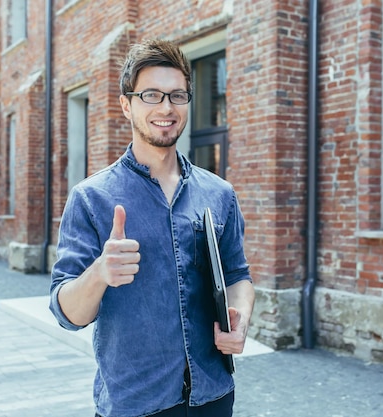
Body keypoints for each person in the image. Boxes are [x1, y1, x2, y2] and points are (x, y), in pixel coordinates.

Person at [49, 38, 255, 417]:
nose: (166, 107)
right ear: (126, 105)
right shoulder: (91, 198)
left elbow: (238, 275)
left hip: (213, 396)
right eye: (151, 95)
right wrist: (100, 273)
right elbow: (67, 314)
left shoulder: (218, 192)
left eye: (177, 95)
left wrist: (239, 318)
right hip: (135, 404)